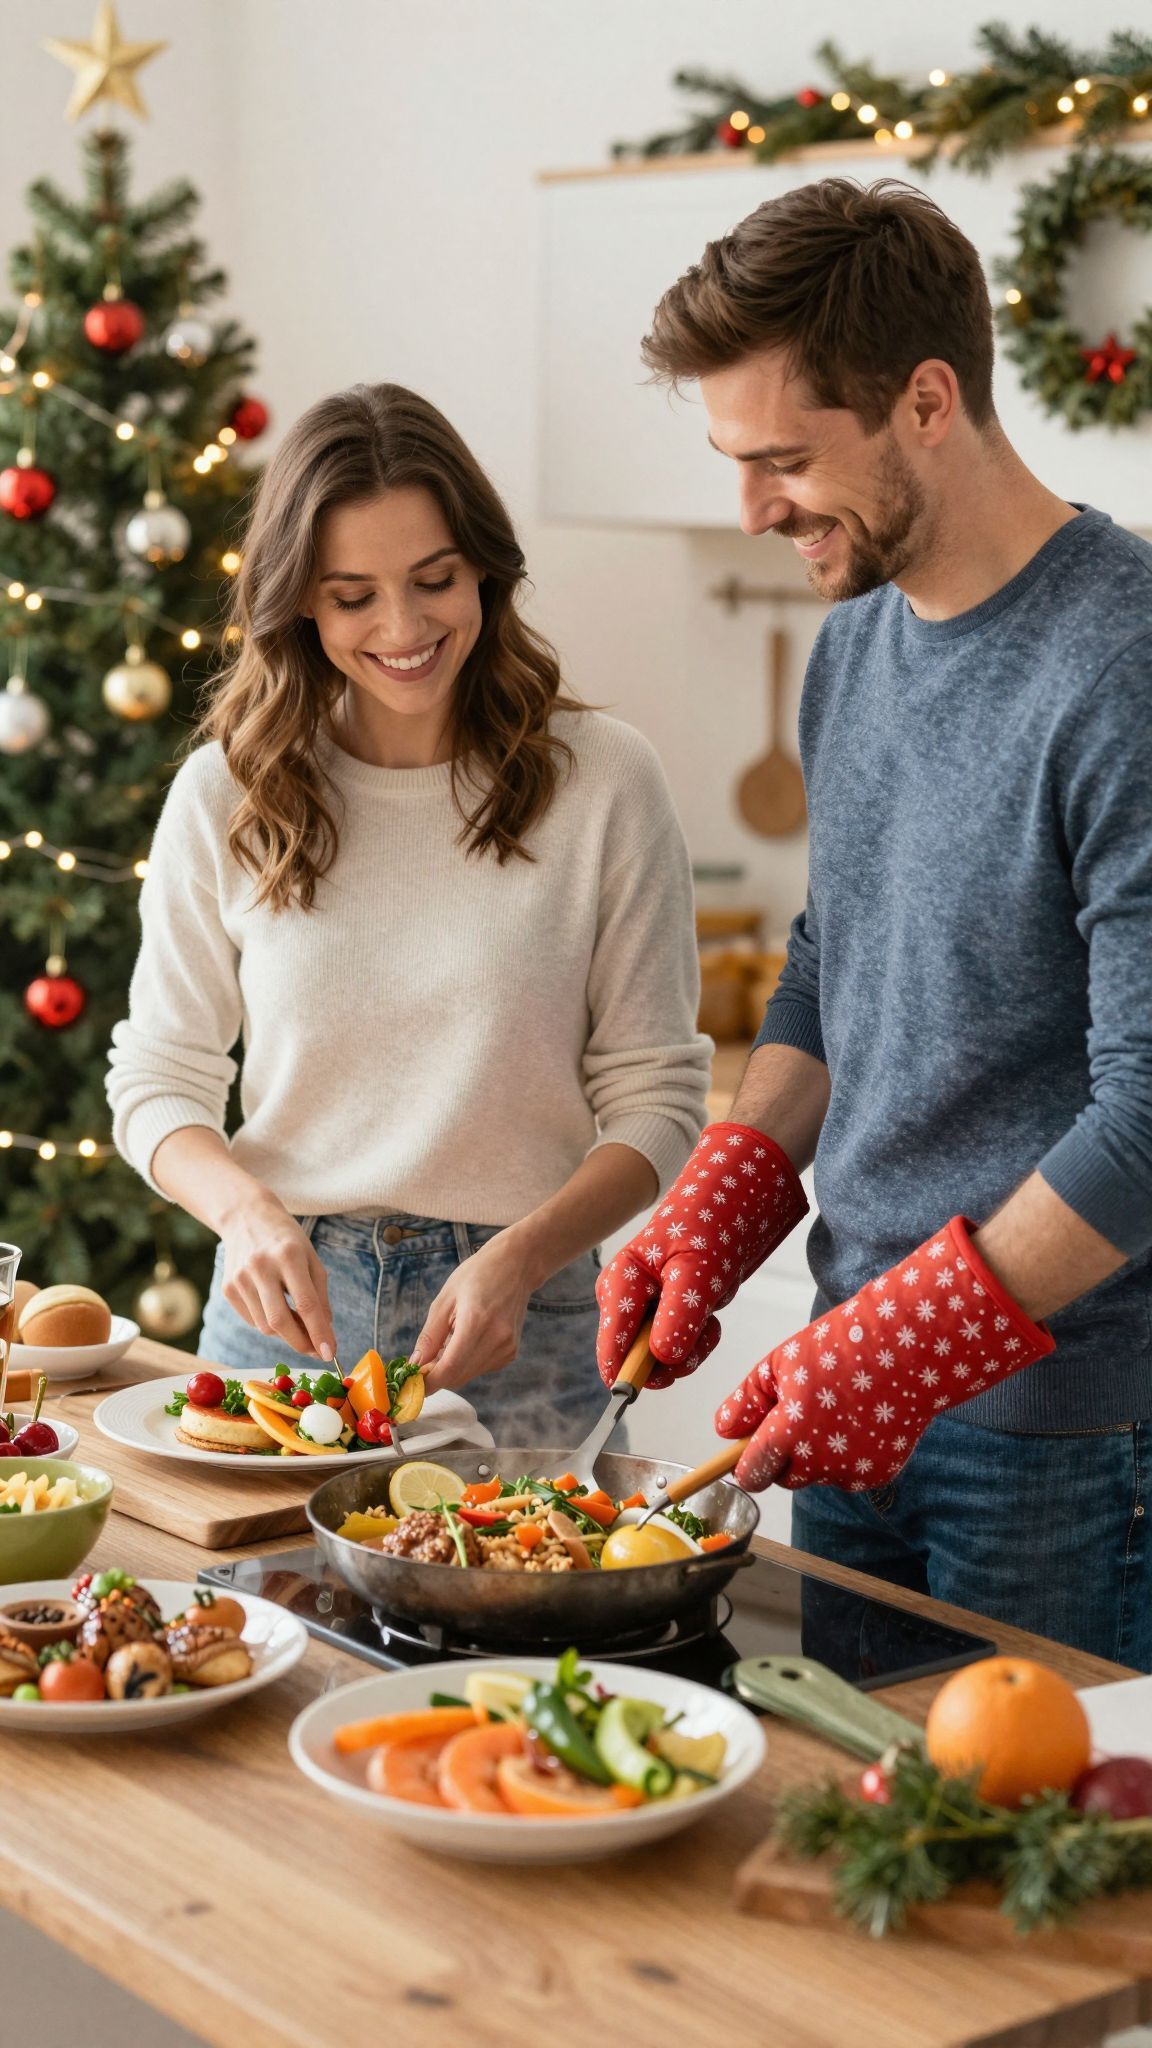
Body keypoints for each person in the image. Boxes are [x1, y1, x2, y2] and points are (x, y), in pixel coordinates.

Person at [596, 178, 1152, 1668]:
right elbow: (838, 972)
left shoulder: (1125, 664)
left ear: (926, 400)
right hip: (849, 1393)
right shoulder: (852, 648)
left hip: (1066, 1433)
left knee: (1041, 1879)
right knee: (859, 1854)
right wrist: (733, 1185)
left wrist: (914, 1345)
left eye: (784, 459)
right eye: (734, 462)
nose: (755, 509)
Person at [108, 381, 710, 1447]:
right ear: (298, 602)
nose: (402, 628)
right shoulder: (227, 792)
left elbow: (658, 1095)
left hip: (525, 1315)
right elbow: (157, 1077)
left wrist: (523, 1253)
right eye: (351, 596)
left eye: (434, 579)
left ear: (484, 563)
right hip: (282, 1323)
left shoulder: (605, 782)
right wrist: (245, 1213)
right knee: (256, 1620)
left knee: (537, 1613)